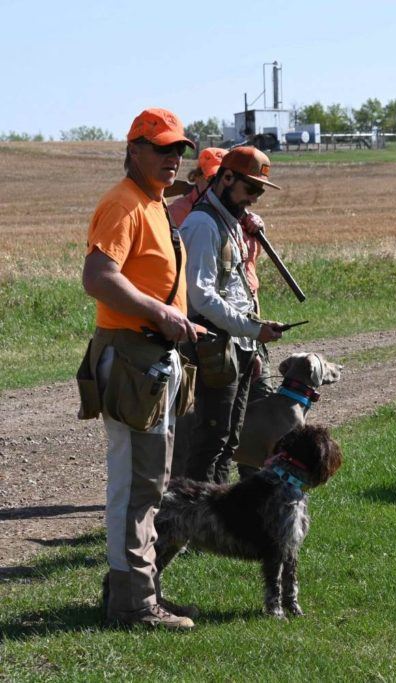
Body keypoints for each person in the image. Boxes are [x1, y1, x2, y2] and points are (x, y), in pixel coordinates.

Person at [81, 107, 199, 629]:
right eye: (162, 148)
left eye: (179, 150)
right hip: (131, 356)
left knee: (150, 483)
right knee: (133, 486)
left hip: (148, 357)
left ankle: (140, 594)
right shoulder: (124, 204)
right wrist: (160, 312)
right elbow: (98, 278)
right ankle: (132, 605)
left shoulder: (151, 202)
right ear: (134, 149)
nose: (173, 158)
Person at [179, 146, 283, 484]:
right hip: (215, 344)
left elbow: (237, 287)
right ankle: (192, 518)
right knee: (211, 440)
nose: (254, 198)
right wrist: (252, 329)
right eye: (250, 188)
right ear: (226, 178)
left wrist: (250, 340)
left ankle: (215, 518)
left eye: (260, 191)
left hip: (235, 345)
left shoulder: (232, 223)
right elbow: (201, 297)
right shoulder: (203, 224)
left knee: (228, 442)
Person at [167, 147, 226, 228]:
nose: (219, 186)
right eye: (213, 179)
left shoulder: (232, 209)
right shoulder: (178, 211)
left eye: (226, 180)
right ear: (197, 177)